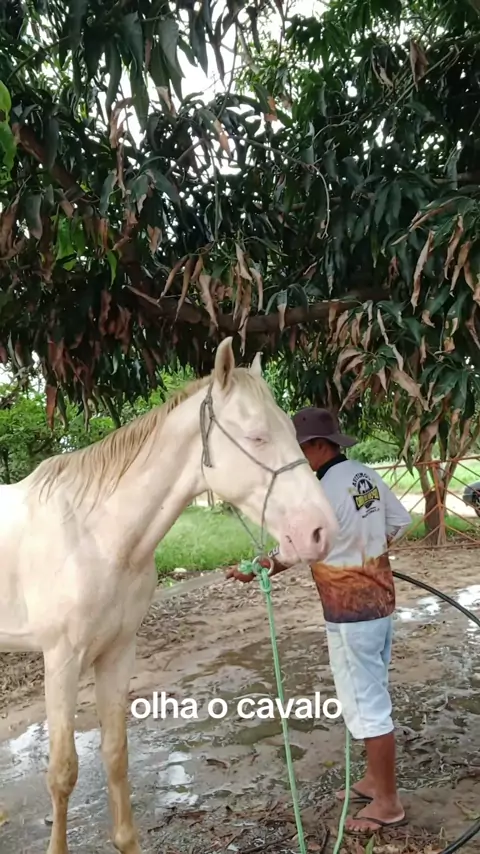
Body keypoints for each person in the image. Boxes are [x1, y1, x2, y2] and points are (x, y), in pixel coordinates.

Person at [226, 407, 412, 834]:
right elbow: (400, 522)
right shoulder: (364, 475)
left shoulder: (320, 492)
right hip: (380, 603)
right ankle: (373, 781)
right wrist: (367, 546)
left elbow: (294, 552)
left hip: (349, 613)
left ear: (316, 447)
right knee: (373, 692)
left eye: (299, 449)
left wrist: (258, 567)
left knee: (368, 706)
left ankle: (387, 803)